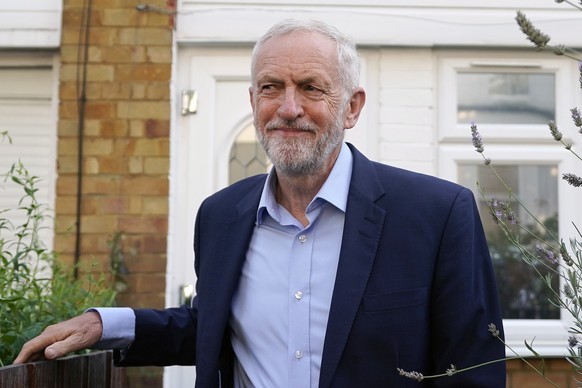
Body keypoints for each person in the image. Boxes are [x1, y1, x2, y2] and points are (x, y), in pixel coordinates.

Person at [15, 19, 506, 387]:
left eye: (310, 88)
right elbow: (208, 327)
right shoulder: (220, 216)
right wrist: (105, 324)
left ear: (351, 107)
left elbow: (474, 372)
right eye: (272, 88)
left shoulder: (438, 215)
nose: (288, 108)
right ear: (253, 102)